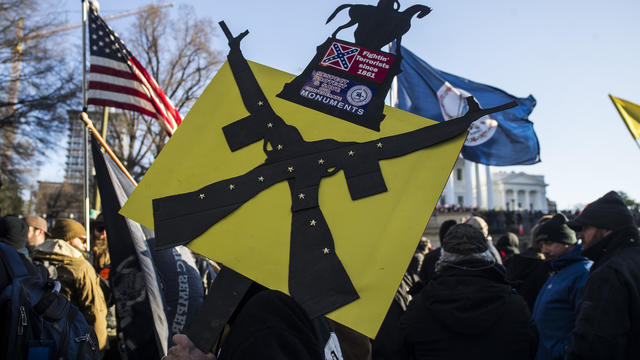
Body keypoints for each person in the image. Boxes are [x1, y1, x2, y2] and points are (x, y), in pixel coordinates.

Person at [397, 224, 538, 359]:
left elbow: (401, 349)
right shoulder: (515, 305)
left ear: (443, 257)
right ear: (487, 256)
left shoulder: (420, 306)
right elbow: (531, 347)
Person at [565, 191, 640, 359]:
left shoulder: (610, 273)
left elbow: (594, 343)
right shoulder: (629, 262)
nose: (580, 235)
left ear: (607, 229)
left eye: (585, 228)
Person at [31, 218, 108, 351]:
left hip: (39, 343)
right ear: (68, 240)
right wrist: (97, 350)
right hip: (73, 344)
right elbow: (95, 312)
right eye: (82, 240)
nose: (85, 245)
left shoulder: (34, 259)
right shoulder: (81, 267)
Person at [531, 214, 591, 360]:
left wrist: (563, 351)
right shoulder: (558, 271)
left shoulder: (582, 273)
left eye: (549, 243)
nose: (544, 250)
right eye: (541, 245)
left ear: (567, 242)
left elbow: (587, 326)